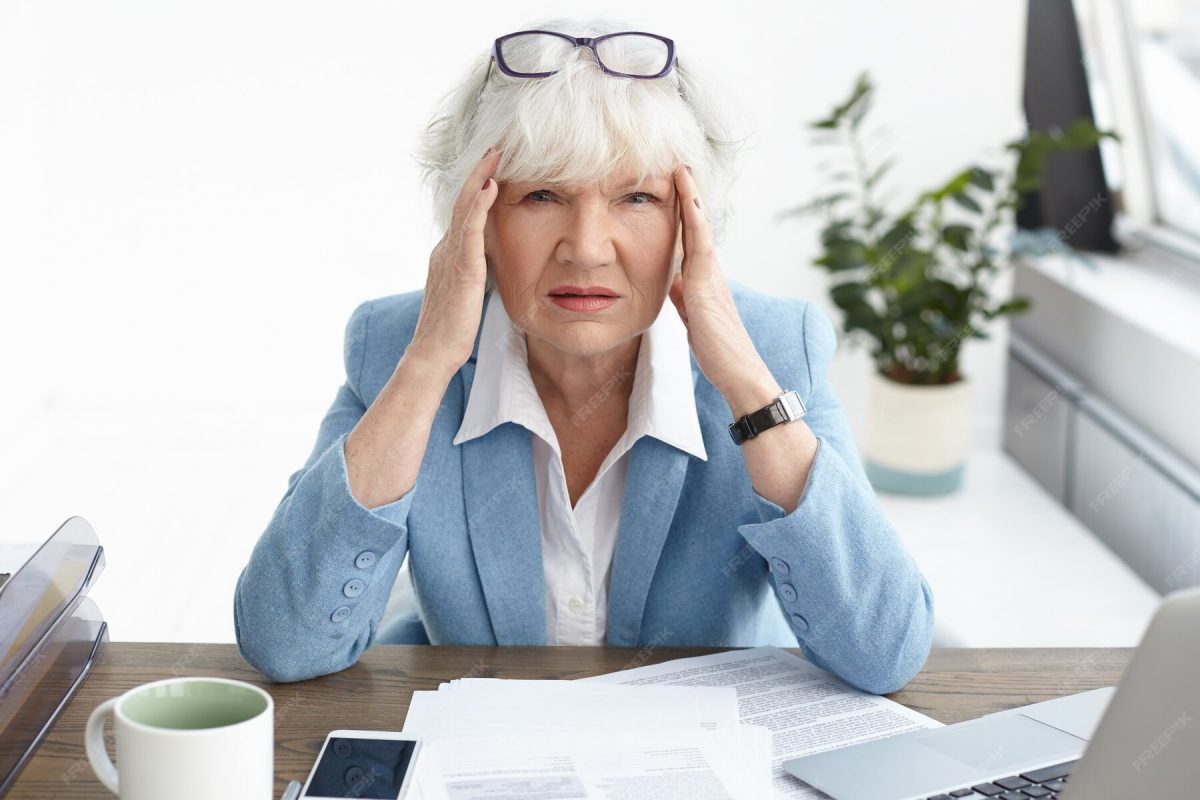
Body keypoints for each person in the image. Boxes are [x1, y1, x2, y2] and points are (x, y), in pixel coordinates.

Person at [233, 17, 934, 692]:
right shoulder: (393, 348)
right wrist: (428, 366)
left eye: (636, 197)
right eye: (542, 195)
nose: (588, 248)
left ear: (691, 223)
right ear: (475, 219)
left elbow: (885, 652)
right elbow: (285, 643)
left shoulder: (779, 349)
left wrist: (747, 387)